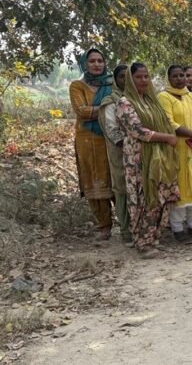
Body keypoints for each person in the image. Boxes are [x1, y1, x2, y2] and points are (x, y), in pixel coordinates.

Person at [116, 63, 180, 258]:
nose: (143, 80)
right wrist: (167, 138)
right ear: (130, 79)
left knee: (159, 196)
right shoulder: (125, 103)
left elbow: (165, 122)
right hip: (139, 160)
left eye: (146, 76)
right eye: (138, 77)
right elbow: (138, 131)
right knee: (144, 198)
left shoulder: (151, 100)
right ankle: (143, 244)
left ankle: (153, 238)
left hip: (158, 157)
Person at [158, 65, 192, 243]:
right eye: (176, 76)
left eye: (182, 75)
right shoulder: (164, 97)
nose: (180, 79)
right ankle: (178, 228)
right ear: (169, 78)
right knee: (181, 186)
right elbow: (169, 123)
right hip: (178, 148)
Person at [69, 48, 114, 240]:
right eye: (92, 61)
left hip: (112, 137)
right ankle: (104, 225)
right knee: (94, 179)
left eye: (100, 61)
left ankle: (127, 223)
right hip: (88, 139)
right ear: (85, 64)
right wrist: (109, 107)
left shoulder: (112, 84)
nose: (96, 64)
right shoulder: (77, 86)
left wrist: (105, 109)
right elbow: (82, 111)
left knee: (116, 178)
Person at [101, 64, 132, 245]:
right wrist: (130, 145)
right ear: (115, 79)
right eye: (122, 77)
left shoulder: (140, 98)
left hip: (141, 152)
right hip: (121, 153)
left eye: (129, 77)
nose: (126, 81)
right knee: (122, 188)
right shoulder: (111, 102)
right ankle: (126, 230)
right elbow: (112, 130)